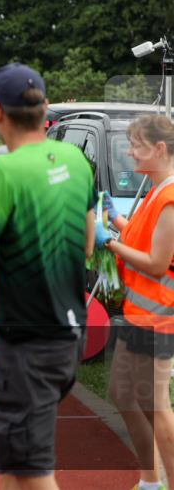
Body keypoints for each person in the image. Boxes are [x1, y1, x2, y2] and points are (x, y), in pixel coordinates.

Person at [0, 63, 96, 489]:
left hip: (29, 341)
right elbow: (86, 245)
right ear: (44, 107)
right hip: (69, 332)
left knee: (33, 471)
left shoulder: (5, 171)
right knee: (13, 463)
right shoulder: (74, 158)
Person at [97, 115, 174, 490]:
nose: (130, 152)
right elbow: (143, 239)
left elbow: (157, 263)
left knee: (157, 406)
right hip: (139, 315)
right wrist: (118, 221)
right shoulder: (157, 191)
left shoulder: (170, 197)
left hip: (159, 319)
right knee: (123, 394)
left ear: (159, 149)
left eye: (137, 145)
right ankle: (149, 479)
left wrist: (108, 242)